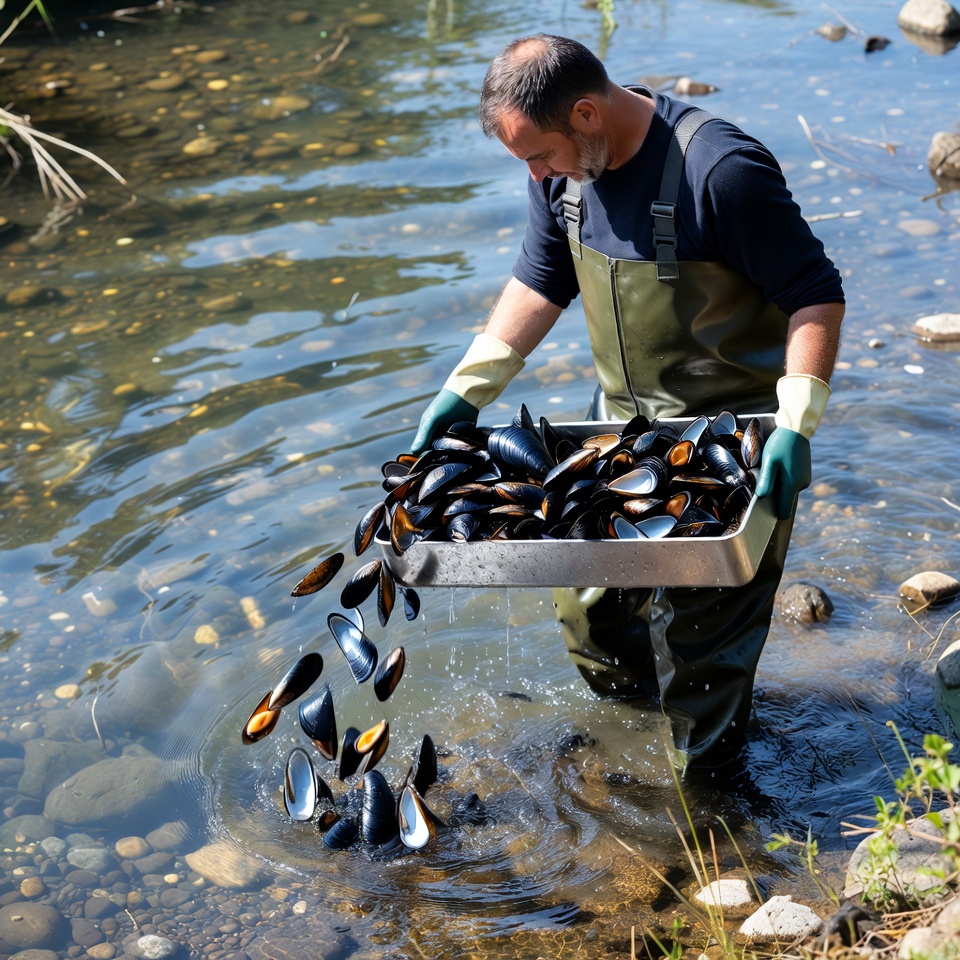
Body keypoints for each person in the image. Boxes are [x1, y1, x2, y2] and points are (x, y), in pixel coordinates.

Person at [411, 34, 844, 774]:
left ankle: (705, 807)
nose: (535, 174)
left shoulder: (721, 170)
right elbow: (543, 278)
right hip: (620, 429)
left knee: (701, 651)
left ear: (586, 114)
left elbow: (815, 295)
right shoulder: (561, 171)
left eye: (537, 155)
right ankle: (636, 752)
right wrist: (467, 387)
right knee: (590, 614)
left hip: (733, 449)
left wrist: (796, 424)